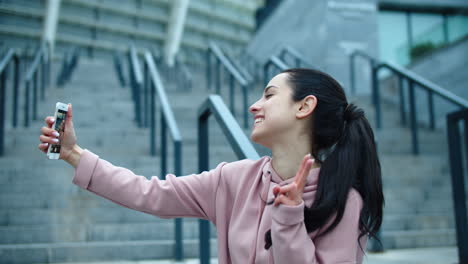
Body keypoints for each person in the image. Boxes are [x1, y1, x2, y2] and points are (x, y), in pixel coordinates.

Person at [38, 68, 384, 263]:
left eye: (269, 94)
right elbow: (150, 194)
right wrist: (73, 154)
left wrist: (290, 215)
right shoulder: (233, 180)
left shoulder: (343, 199)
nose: (253, 106)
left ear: (304, 106)